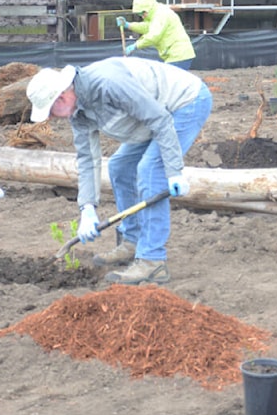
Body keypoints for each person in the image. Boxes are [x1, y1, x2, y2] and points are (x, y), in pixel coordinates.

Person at [26, 56, 213, 285]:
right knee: (119, 166)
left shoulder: (108, 84)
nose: (52, 118)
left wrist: (173, 171)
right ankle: (132, 241)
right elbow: (87, 159)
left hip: (185, 103)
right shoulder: (78, 111)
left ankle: (153, 262)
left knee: (151, 171)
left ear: (62, 96)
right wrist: (87, 209)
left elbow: (160, 120)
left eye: (51, 112)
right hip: (150, 120)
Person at [115, 0, 196, 70]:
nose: (142, 16)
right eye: (139, 14)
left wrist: (136, 45)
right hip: (177, 55)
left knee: (168, 82)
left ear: (147, 9)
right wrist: (128, 25)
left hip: (179, 55)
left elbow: (153, 36)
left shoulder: (161, 14)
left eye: (142, 13)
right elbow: (147, 27)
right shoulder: (155, 13)